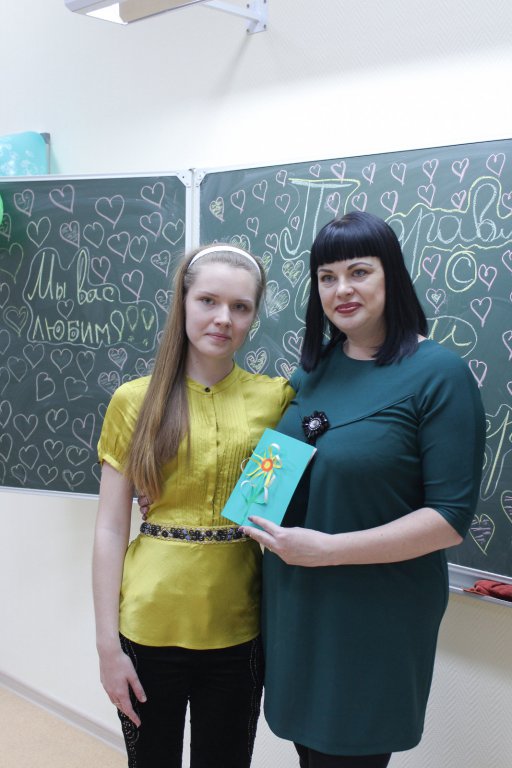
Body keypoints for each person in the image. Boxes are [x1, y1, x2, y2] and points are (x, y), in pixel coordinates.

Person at [241, 212, 486, 768]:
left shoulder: (439, 374)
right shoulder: (313, 371)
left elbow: (448, 518)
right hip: (295, 604)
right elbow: (266, 486)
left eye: (358, 272)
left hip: (374, 614)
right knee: (308, 751)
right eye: (327, 277)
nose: (342, 290)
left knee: (349, 753)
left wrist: (327, 550)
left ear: (390, 275)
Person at [93, 244, 294, 768]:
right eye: (208, 300)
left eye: (240, 307)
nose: (223, 318)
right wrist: (107, 647)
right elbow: (110, 529)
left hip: (238, 626)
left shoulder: (276, 400)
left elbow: (260, 512)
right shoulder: (134, 400)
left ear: (254, 315)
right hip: (148, 623)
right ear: (182, 302)